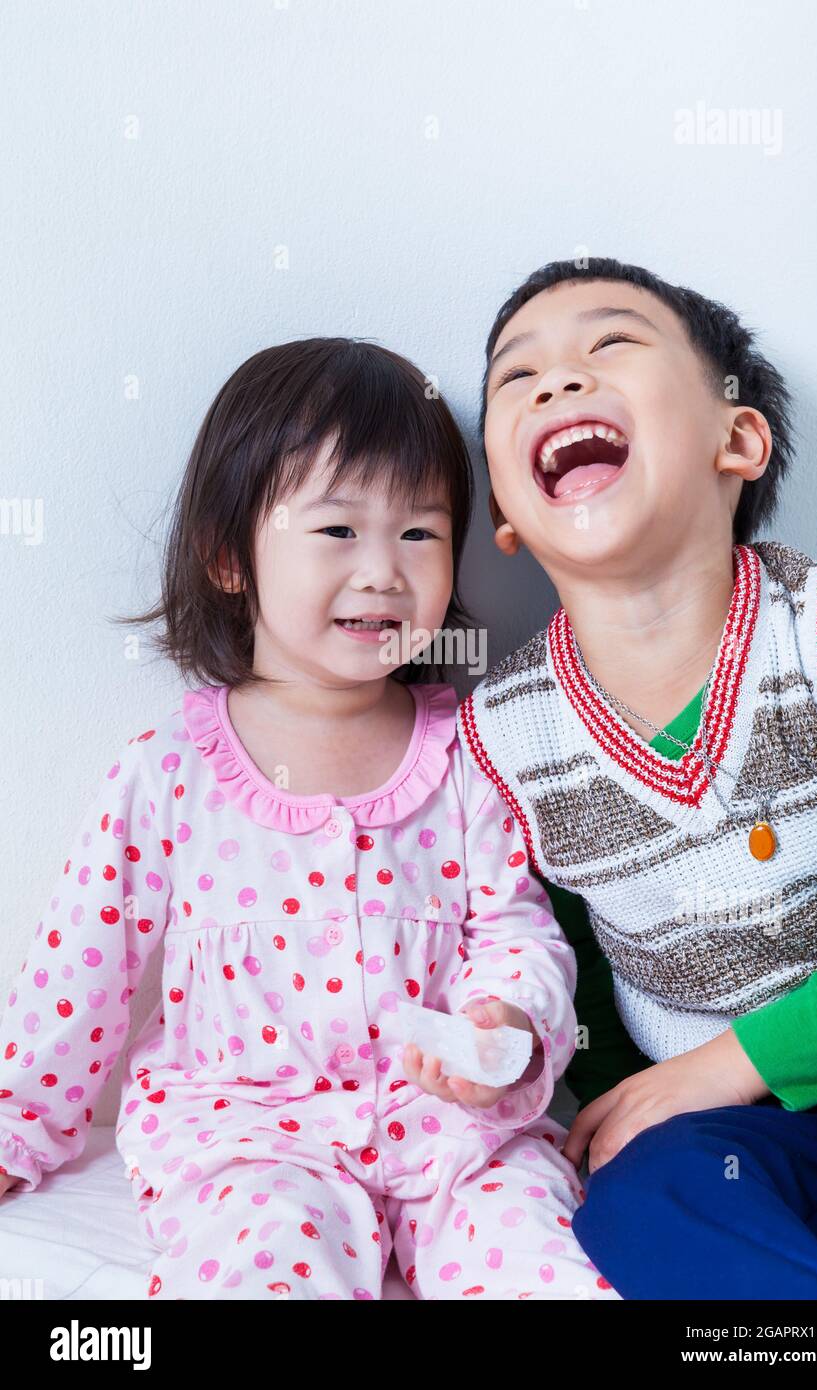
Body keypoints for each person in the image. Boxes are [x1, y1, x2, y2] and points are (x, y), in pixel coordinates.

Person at [0, 337, 620, 1301]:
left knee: (545, 1259)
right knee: (262, 1265)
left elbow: (515, 931)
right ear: (228, 557)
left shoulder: (471, 754)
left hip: (457, 1133)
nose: (383, 572)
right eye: (337, 531)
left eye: (419, 534)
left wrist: (510, 1027)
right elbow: (81, 970)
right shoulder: (171, 772)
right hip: (253, 1140)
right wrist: (18, 1128)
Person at [457, 256, 817, 1299]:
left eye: (608, 346)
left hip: (790, 1064)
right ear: (505, 513)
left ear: (734, 439)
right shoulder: (504, 737)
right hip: (746, 1145)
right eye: (519, 377)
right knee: (641, 1205)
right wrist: (619, 1104)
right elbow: (564, 966)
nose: (555, 382)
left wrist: (727, 1062)